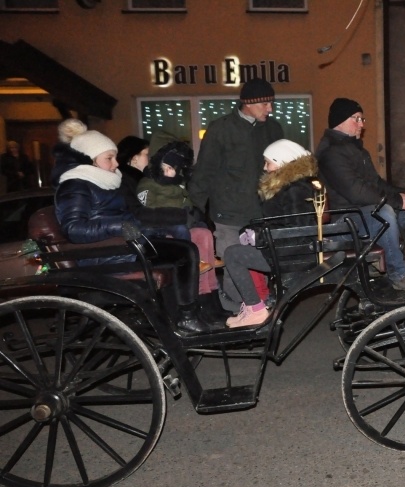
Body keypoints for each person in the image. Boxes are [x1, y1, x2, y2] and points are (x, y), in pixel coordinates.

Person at [52, 119, 209, 333]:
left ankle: (178, 317)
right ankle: (186, 316)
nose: (116, 163)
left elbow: (129, 216)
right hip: (104, 254)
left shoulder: (104, 182)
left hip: (122, 245)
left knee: (179, 241)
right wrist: (120, 225)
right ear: (90, 160)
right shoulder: (74, 186)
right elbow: (74, 229)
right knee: (183, 251)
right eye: (109, 158)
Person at [189, 77, 284, 311]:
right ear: (248, 104)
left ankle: (253, 310)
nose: (270, 109)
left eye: (271, 103)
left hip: (262, 212)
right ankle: (237, 310)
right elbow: (205, 171)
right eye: (265, 104)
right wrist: (200, 210)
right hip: (229, 213)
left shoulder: (273, 129)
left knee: (258, 264)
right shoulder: (220, 129)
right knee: (233, 263)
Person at [316, 97, 405, 292]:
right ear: (340, 122)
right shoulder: (331, 153)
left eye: (362, 119)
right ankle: (398, 274)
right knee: (385, 214)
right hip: (342, 218)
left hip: (359, 212)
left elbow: (376, 183)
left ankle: (378, 256)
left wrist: (402, 194)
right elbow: (356, 191)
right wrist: (395, 201)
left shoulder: (356, 150)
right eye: (356, 119)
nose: (361, 124)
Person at [223, 140, 320, 328]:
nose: (265, 168)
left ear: (282, 162)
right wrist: (252, 232)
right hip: (288, 249)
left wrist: (260, 237)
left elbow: (296, 230)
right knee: (240, 249)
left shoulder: (295, 190)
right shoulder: (290, 186)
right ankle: (257, 304)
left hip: (293, 254)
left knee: (233, 254)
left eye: (269, 162)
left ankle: (256, 310)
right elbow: (279, 222)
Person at [136, 141, 230, 322]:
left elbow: (187, 201)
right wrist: (179, 213)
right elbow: (146, 208)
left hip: (176, 221)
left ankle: (210, 298)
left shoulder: (176, 185)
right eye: (169, 168)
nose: (172, 172)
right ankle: (197, 291)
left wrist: (193, 213)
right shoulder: (148, 182)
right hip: (158, 228)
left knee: (204, 232)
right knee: (187, 236)